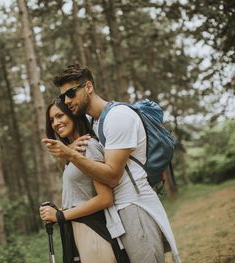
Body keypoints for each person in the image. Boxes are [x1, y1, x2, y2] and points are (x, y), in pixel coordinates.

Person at [42, 64, 181, 263]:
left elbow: (113, 176)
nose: (67, 101)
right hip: (119, 211)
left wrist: (71, 155)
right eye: (64, 96)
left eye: (71, 93)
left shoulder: (118, 117)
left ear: (88, 86)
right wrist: (70, 149)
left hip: (135, 206)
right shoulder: (96, 121)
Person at [39, 98, 127, 263]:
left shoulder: (89, 146)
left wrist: (60, 215)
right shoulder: (74, 152)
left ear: (73, 115)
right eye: (52, 120)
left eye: (60, 116)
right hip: (78, 231)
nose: (56, 123)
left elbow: (105, 198)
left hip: (92, 232)